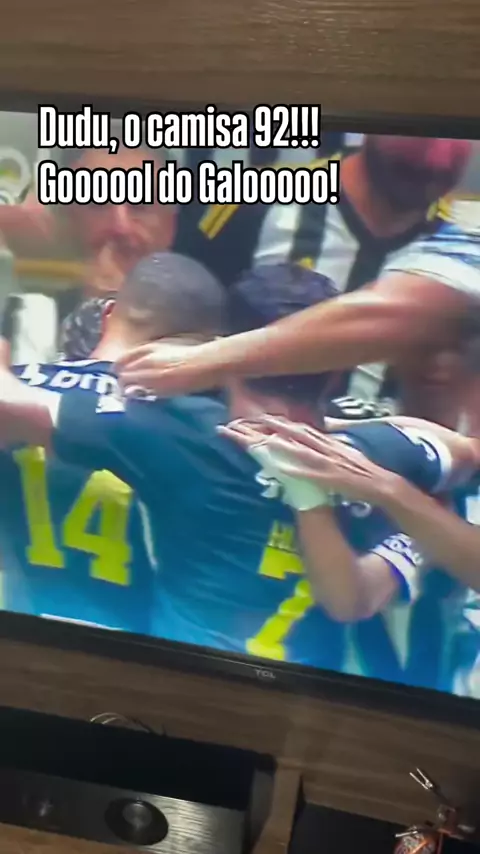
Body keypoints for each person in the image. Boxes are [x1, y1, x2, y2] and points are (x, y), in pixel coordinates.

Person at [0, 263, 478, 689]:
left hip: (163, 687)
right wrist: (411, 524)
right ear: (339, 370)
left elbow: (21, 407)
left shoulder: (175, 432)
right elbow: (463, 455)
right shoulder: (387, 451)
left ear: (229, 352)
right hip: (319, 708)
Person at [0, 252, 226, 633]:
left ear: (108, 314)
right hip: (135, 654)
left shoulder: (14, 388)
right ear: (208, 347)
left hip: (20, 637)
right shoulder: (199, 425)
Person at [0, 145, 177, 362]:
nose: (120, 226)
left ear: (170, 224)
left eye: (140, 204)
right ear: (69, 219)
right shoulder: (24, 320)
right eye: (98, 203)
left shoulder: (204, 336)